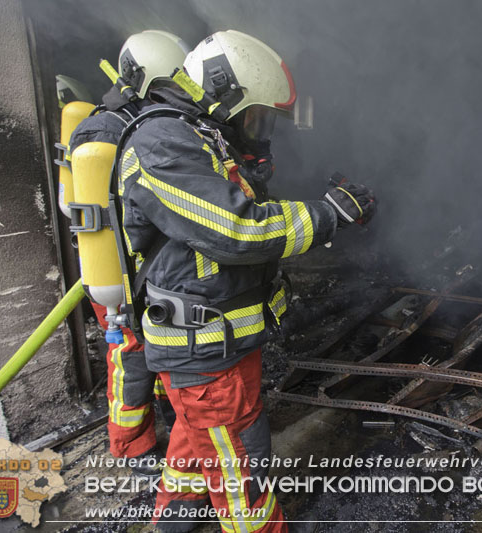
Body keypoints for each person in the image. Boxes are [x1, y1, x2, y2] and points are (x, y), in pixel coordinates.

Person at [115, 30, 375, 532]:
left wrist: (251, 163)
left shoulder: (199, 137)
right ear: (222, 97)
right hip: (205, 355)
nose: (259, 131)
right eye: (254, 117)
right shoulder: (161, 142)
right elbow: (237, 230)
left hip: (220, 344)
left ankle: (172, 526)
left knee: (196, 449)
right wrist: (330, 215)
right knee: (243, 479)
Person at [68, 29, 190, 476]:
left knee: (148, 351)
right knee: (130, 357)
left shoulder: (136, 122)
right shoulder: (109, 128)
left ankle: (162, 421)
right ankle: (130, 445)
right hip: (118, 271)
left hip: (139, 266)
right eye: (170, 85)